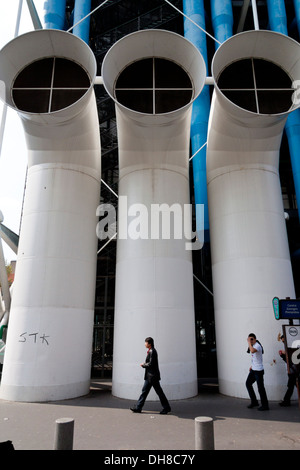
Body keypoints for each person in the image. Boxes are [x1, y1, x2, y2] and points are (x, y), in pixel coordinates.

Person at [130, 337, 171, 414]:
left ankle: (166, 408)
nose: (145, 344)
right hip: (150, 376)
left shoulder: (152, 351)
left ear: (150, 344)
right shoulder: (151, 351)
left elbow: (151, 364)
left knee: (157, 392)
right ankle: (138, 408)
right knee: (145, 392)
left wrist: (143, 365)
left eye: (146, 342)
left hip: (152, 377)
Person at [245, 333, 269, 411]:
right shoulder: (253, 346)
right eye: (249, 339)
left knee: (260, 388)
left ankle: (265, 405)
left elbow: (252, 351)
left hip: (258, 371)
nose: (250, 341)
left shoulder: (257, 345)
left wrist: (248, 342)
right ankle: (254, 401)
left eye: (252, 339)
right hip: (253, 369)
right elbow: (254, 358)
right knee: (248, 383)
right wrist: (252, 366)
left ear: (255, 339)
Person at [278, 334, 297, 406]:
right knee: (291, 386)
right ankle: (286, 401)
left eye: (284, 341)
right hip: (291, 370)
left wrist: (285, 353)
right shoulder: (287, 346)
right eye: (283, 341)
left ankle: (286, 401)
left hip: (293, 370)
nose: (284, 343)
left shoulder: (291, 346)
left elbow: (293, 355)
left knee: (291, 386)